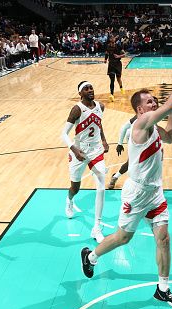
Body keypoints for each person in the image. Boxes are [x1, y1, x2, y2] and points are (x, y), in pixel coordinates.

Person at [81, 45, 172, 308]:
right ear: (140, 110)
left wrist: (170, 111)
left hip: (155, 192)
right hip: (137, 193)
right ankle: (92, 256)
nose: (154, 103)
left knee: (164, 238)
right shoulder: (140, 125)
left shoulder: (153, 127)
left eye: (155, 100)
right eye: (149, 102)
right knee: (123, 237)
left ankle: (163, 288)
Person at [61, 81, 109, 242]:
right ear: (80, 93)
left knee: (101, 185)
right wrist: (74, 149)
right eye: (86, 89)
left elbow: (98, 124)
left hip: (95, 150)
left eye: (91, 88)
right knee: (75, 187)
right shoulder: (76, 109)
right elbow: (64, 134)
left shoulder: (100, 106)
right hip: (79, 151)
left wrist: (103, 140)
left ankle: (97, 226)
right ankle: (69, 199)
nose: (90, 90)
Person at [108, 97, 159, 190]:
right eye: (152, 103)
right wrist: (119, 144)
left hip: (144, 139)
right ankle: (117, 178)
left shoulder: (155, 116)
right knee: (133, 162)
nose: (155, 105)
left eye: (156, 104)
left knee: (142, 161)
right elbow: (124, 127)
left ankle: (118, 177)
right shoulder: (141, 115)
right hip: (133, 137)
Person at [104, 35, 125, 101]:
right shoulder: (108, 46)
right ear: (110, 39)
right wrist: (105, 59)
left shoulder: (118, 45)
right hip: (111, 64)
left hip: (118, 64)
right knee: (112, 79)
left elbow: (124, 55)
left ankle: (121, 87)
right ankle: (112, 94)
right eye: (111, 38)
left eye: (113, 37)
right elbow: (106, 53)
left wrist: (118, 56)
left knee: (118, 78)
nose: (113, 39)